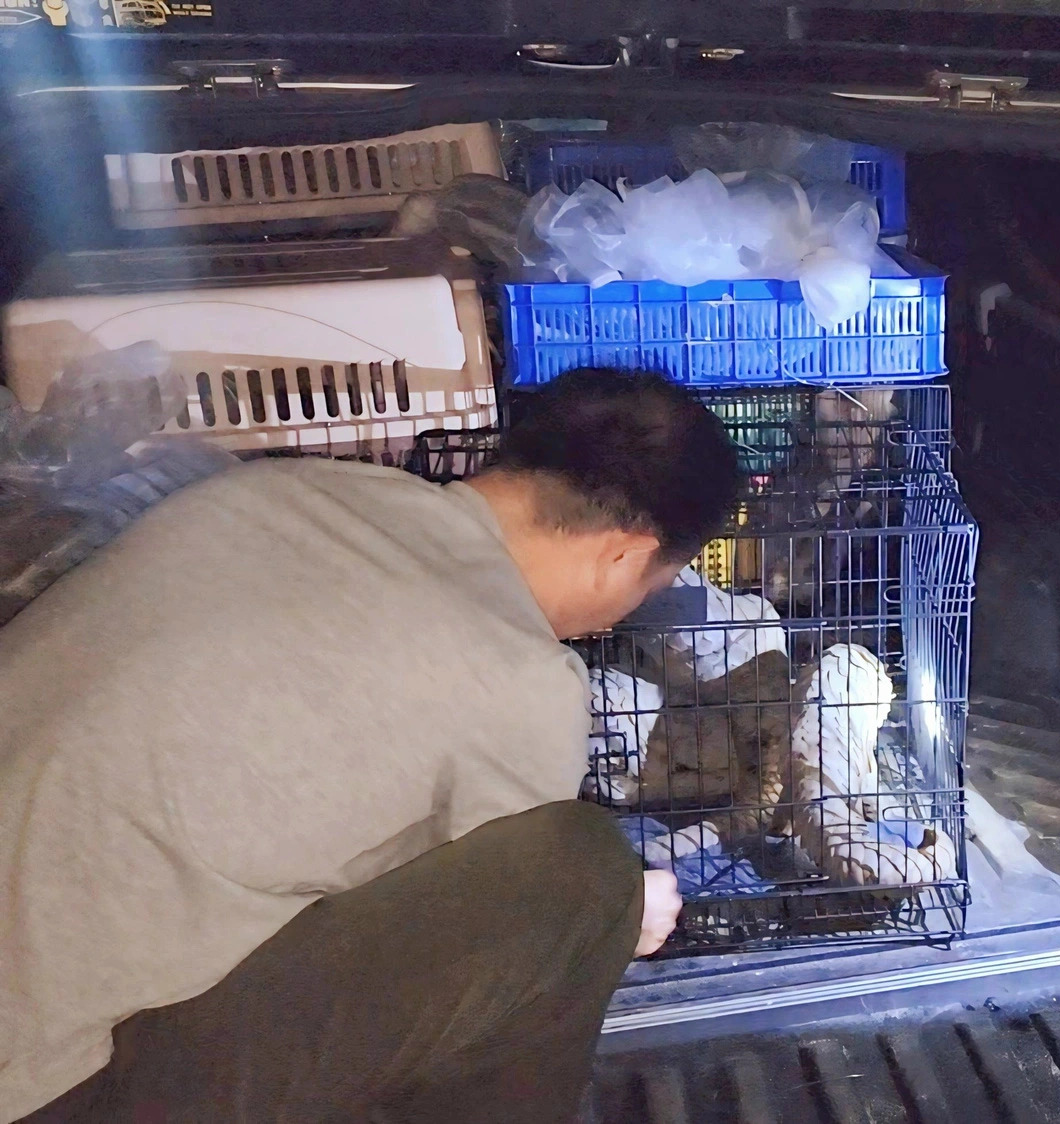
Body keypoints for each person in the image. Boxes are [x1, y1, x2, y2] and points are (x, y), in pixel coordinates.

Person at [0, 368, 739, 1123]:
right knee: (581, 879)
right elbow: (472, 938)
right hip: (46, 1082)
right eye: (651, 584)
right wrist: (623, 914)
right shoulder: (523, 683)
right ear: (622, 555)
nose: (616, 617)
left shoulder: (277, 492)